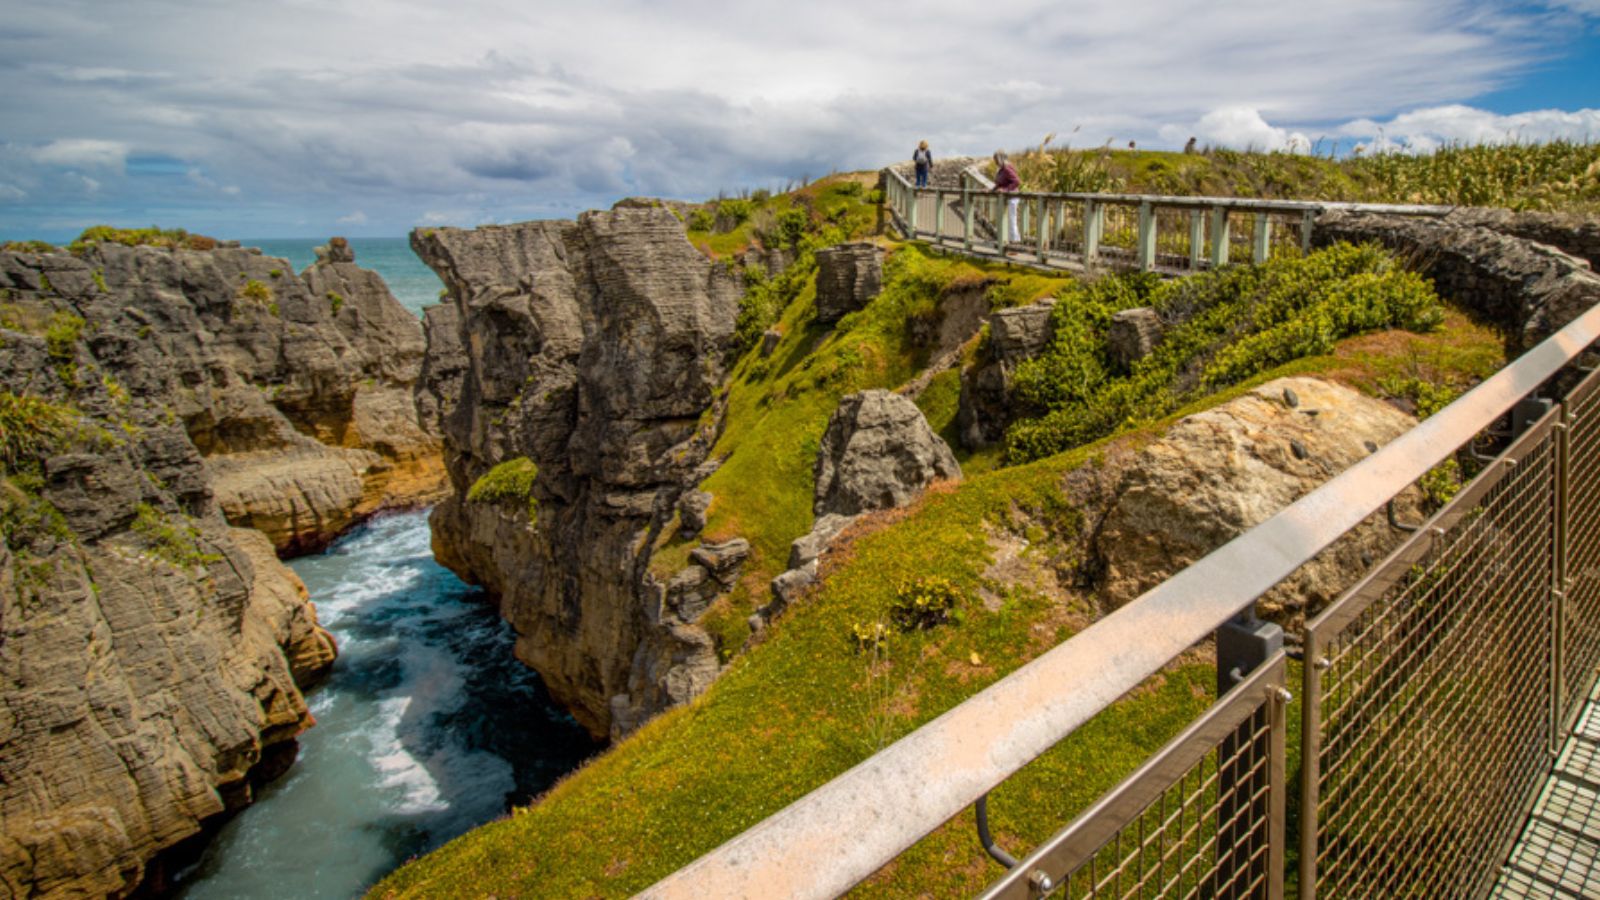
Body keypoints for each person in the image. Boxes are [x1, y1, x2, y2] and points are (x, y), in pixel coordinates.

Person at [991, 150, 1021, 245]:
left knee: (1012, 220)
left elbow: (1017, 181)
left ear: (1000, 159)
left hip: (1012, 197)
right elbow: (1000, 184)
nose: (995, 162)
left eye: (996, 159)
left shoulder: (1007, 168)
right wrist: (991, 190)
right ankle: (1007, 241)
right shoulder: (1001, 169)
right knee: (1005, 220)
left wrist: (1006, 190)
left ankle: (1015, 242)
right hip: (1006, 198)